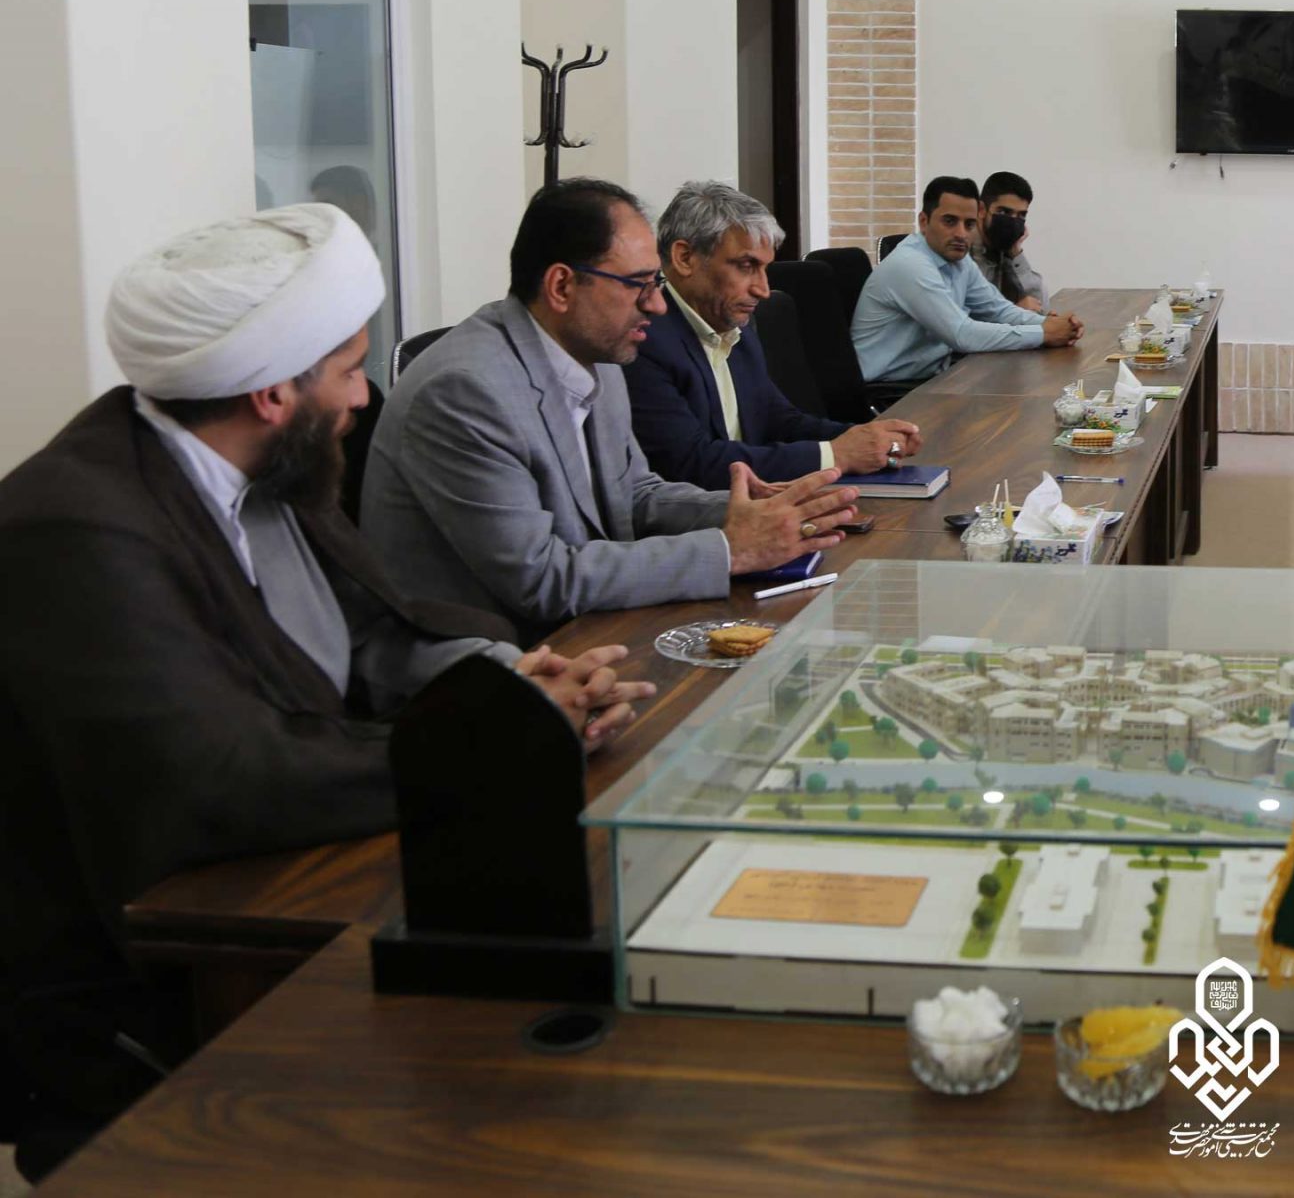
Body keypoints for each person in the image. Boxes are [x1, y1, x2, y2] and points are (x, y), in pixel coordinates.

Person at [0, 205, 650, 1180]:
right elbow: (220, 777)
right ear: (272, 391)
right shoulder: (76, 528)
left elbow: (369, 635)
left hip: (274, 905)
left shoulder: (258, 461)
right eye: (348, 368)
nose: (362, 395)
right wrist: (491, 745)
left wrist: (507, 684)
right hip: (142, 1012)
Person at [362, 179, 864, 637]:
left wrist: (748, 513)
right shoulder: (465, 392)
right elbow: (542, 579)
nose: (658, 305)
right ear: (562, 287)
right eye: (638, 284)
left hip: (586, 629)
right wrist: (732, 549)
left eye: (655, 284)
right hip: (489, 660)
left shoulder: (596, 353)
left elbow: (635, 495)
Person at [626, 180, 923, 491]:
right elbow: (690, 464)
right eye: (746, 266)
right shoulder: (643, 340)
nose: (763, 289)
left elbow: (775, 419)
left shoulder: (736, 326)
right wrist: (835, 455)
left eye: (765, 269)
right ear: (685, 258)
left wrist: (862, 438)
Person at [854, 177, 1082, 384]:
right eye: (950, 221)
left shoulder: (958, 259)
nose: (961, 234)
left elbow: (999, 310)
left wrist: (1048, 324)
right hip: (888, 390)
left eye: (969, 224)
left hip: (933, 378)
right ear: (924, 221)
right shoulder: (910, 265)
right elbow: (962, 334)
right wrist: (1044, 333)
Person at [970, 170, 1046, 313]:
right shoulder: (962, 250)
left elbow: (1040, 306)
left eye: (1021, 215)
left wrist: (1016, 253)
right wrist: (1013, 313)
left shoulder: (1004, 249)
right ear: (981, 210)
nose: (1012, 221)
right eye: (1003, 212)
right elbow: (961, 319)